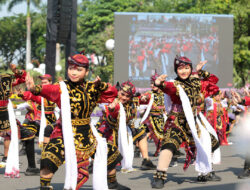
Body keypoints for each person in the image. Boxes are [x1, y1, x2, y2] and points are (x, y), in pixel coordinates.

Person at [25, 51, 113, 190]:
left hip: (87, 135)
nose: (74, 72)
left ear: (87, 71)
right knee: (48, 159)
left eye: (79, 69)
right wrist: (33, 88)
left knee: (111, 155)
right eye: (71, 68)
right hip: (64, 133)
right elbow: (46, 89)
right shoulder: (61, 87)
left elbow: (112, 93)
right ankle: (44, 187)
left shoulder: (92, 88)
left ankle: (113, 184)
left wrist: (101, 85)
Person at [151, 56, 221, 189]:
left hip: (194, 121)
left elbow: (213, 81)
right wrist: (159, 83)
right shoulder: (175, 84)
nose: (183, 71)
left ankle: (206, 172)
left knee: (211, 142)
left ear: (190, 68)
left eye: (186, 68)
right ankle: (159, 176)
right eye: (180, 68)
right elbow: (168, 88)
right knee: (169, 145)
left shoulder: (196, 80)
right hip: (177, 120)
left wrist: (200, 71)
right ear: (176, 70)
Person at [0, 64, 26, 175]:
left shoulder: (6, 80)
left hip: (5, 110)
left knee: (8, 134)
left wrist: (16, 70)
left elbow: (23, 77)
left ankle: (6, 158)